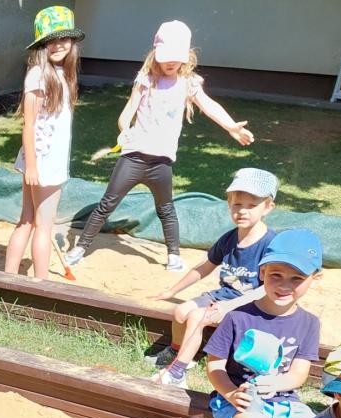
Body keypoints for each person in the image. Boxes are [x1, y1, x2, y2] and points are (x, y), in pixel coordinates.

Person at [63, 20, 255, 273]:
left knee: (166, 210)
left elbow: (209, 106)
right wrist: (125, 130)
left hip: (161, 163)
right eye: (166, 57)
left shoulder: (188, 83)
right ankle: (79, 248)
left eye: (176, 57)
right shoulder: (146, 79)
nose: (171, 62)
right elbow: (127, 113)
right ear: (156, 53)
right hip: (133, 158)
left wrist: (231, 127)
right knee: (107, 204)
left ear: (187, 55)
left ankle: (173, 255)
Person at [203, 228, 323, 418]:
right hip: (238, 401)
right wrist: (231, 393)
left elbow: (298, 374)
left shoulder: (309, 323)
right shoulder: (238, 317)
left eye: (297, 278)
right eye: (276, 275)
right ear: (262, 272)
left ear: (315, 278)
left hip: (285, 404)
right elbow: (215, 367)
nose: (284, 285)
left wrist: (278, 383)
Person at [151, 168, 279, 387]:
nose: (242, 211)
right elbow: (205, 267)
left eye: (251, 205)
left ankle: (178, 373)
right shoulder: (230, 238)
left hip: (249, 304)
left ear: (267, 207)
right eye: (237, 204)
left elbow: (266, 289)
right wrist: (171, 291)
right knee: (180, 311)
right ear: (229, 204)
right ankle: (176, 352)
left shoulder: (270, 244)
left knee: (197, 317)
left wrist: (228, 306)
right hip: (224, 295)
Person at [3, 6, 83, 280]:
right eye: (52, 39)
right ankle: (41, 285)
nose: (59, 44)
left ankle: (8, 278)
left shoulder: (60, 73)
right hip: (43, 163)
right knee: (42, 226)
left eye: (64, 38)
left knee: (28, 220)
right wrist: (33, 167)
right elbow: (29, 124)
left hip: (42, 159)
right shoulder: (38, 74)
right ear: (42, 45)